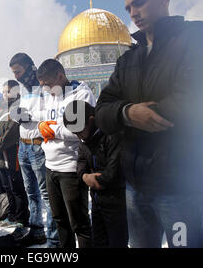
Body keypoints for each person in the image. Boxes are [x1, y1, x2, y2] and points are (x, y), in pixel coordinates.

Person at [95, 0, 203, 248]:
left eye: (140, 2)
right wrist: (128, 113)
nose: (133, 13)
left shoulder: (198, 39)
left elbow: (197, 103)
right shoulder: (129, 59)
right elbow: (102, 112)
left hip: (179, 185)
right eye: (128, 8)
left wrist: (132, 115)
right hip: (136, 186)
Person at [36, 59, 96, 248]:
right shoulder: (51, 95)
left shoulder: (81, 94)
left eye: (47, 83)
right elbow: (44, 123)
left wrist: (54, 131)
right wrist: (41, 127)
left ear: (60, 76)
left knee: (79, 223)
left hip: (70, 167)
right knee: (60, 220)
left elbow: (81, 130)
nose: (45, 88)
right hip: (50, 165)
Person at [8, 53, 59, 247]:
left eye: (19, 72)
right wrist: (16, 114)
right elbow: (20, 112)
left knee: (47, 195)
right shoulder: (25, 89)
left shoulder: (45, 86)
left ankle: (54, 239)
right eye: (14, 73)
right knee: (31, 192)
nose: (17, 77)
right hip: (24, 145)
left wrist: (30, 115)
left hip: (39, 145)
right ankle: (37, 230)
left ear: (30, 67)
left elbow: (53, 110)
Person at [63, 100, 128, 248]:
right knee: (99, 241)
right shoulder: (85, 139)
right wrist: (85, 177)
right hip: (97, 201)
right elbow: (80, 163)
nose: (78, 136)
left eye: (79, 131)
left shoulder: (113, 134)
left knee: (117, 242)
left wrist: (97, 180)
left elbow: (113, 171)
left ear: (91, 121)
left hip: (116, 202)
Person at [0, 80, 30, 235]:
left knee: (18, 190)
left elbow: (9, 136)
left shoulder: (18, 109)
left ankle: (21, 220)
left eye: (9, 91)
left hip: (12, 158)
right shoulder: (3, 111)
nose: (6, 94)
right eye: (4, 92)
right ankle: (11, 215)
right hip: (0, 160)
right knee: (8, 189)